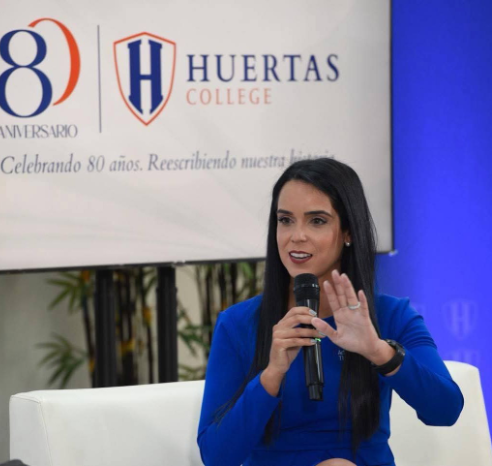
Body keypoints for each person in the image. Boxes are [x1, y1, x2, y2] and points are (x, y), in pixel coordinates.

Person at [197, 158, 464, 466]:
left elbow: (445, 411)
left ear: (348, 231)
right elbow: (216, 456)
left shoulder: (391, 315)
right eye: (285, 220)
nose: (297, 236)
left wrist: (378, 351)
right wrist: (271, 375)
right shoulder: (238, 324)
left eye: (317, 221)